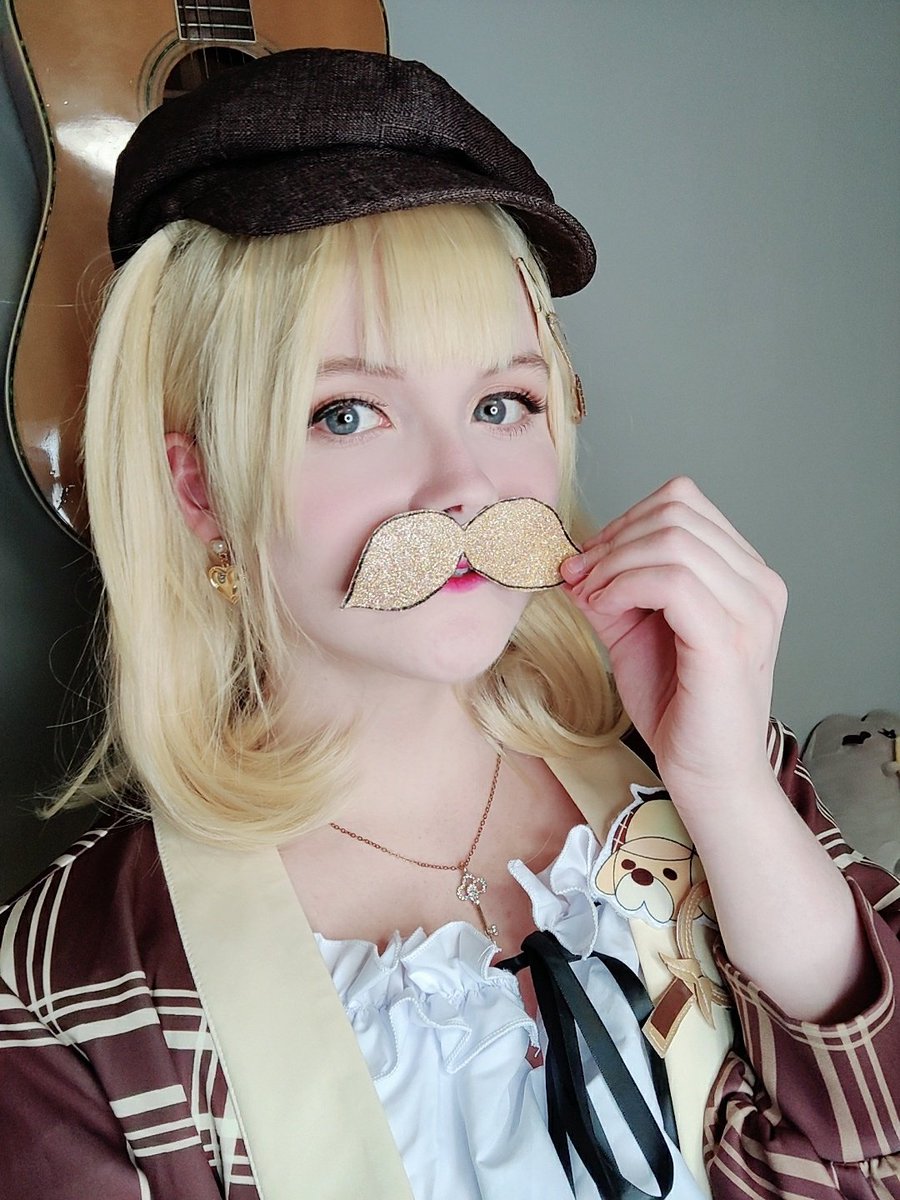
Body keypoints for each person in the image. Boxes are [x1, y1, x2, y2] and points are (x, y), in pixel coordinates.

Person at [0, 48, 898, 1200]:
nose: (463, 485)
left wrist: (728, 791)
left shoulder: (704, 763)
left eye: (501, 402)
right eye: (347, 413)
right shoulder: (68, 994)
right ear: (200, 487)